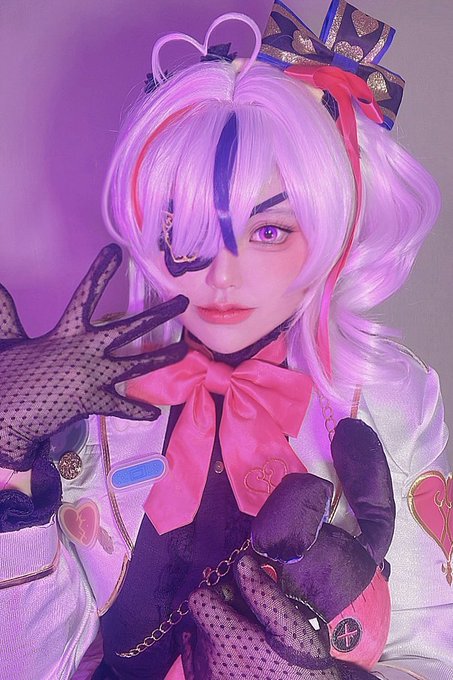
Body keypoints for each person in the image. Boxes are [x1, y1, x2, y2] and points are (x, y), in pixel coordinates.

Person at [0, 2, 452, 679]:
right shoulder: (84, 397)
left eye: (269, 231)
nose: (221, 274)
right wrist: (10, 474)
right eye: (186, 230)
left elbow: (431, 657)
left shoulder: (392, 397)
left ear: (331, 232)